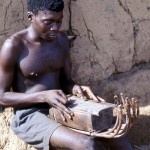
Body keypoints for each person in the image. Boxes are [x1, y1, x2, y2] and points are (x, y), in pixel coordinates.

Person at [0, 0, 133, 150]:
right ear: (31, 17)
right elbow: (2, 97)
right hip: (31, 114)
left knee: (114, 129)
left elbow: (66, 81)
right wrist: (43, 96)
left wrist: (75, 88)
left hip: (63, 105)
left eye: (59, 21)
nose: (55, 28)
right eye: (48, 22)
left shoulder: (61, 41)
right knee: (86, 144)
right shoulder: (14, 46)